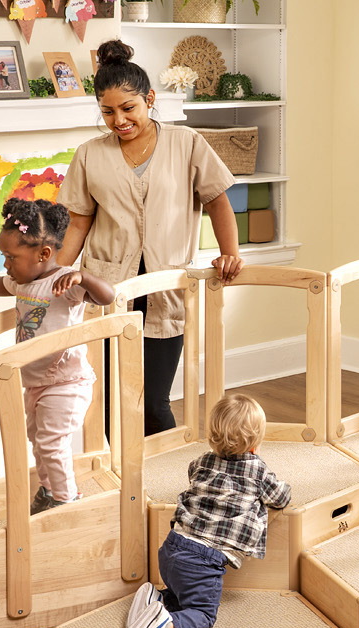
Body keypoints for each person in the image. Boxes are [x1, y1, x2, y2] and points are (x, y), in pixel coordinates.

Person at [56, 38, 244, 436]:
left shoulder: (186, 142)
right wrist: (53, 273)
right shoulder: (90, 154)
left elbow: (218, 201)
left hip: (166, 287)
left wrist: (230, 254)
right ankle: (123, 484)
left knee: (154, 401)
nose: (119, 120)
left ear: (149, 99)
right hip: (109, 286)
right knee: (109, 400)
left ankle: (165, 485)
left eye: (128, 108)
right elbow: (77, 223)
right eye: (107, 112)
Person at [0, 198, 115, 513]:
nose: (6, 265)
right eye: (5, 256)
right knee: (38, 443)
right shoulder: (23, 284)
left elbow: (107, 296)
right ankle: (49, 488)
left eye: (11, 257)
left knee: (52, 444)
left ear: (43, 254)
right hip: (35, 381)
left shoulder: (64, 282)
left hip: (66, 382)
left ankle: (66, 500)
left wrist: (83, 278)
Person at [117, 394, 291, 628]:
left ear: (212, 436)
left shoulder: (201, 462)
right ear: (255, 444)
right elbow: (281, 497)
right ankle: (162, 626)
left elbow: (192, 475)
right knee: (202, 614)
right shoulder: (258, 470)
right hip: (203, 561)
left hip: (172, 548)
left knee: (184, 593)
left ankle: (157, 599)